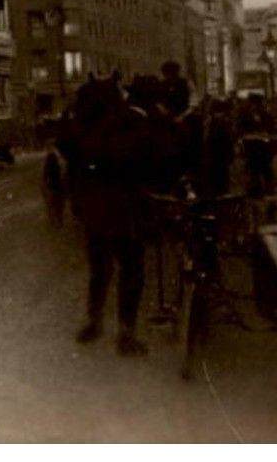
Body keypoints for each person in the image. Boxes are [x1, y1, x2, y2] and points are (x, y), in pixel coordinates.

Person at [71, 76, 169, 356]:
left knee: (99, 269)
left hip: (96, 209)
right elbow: (153, 166)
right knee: (131, 270)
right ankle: (126, 334)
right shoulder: (138, 124)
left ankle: (94, 321)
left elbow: (81, 166)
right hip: (126, 209)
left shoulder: (95, 128)